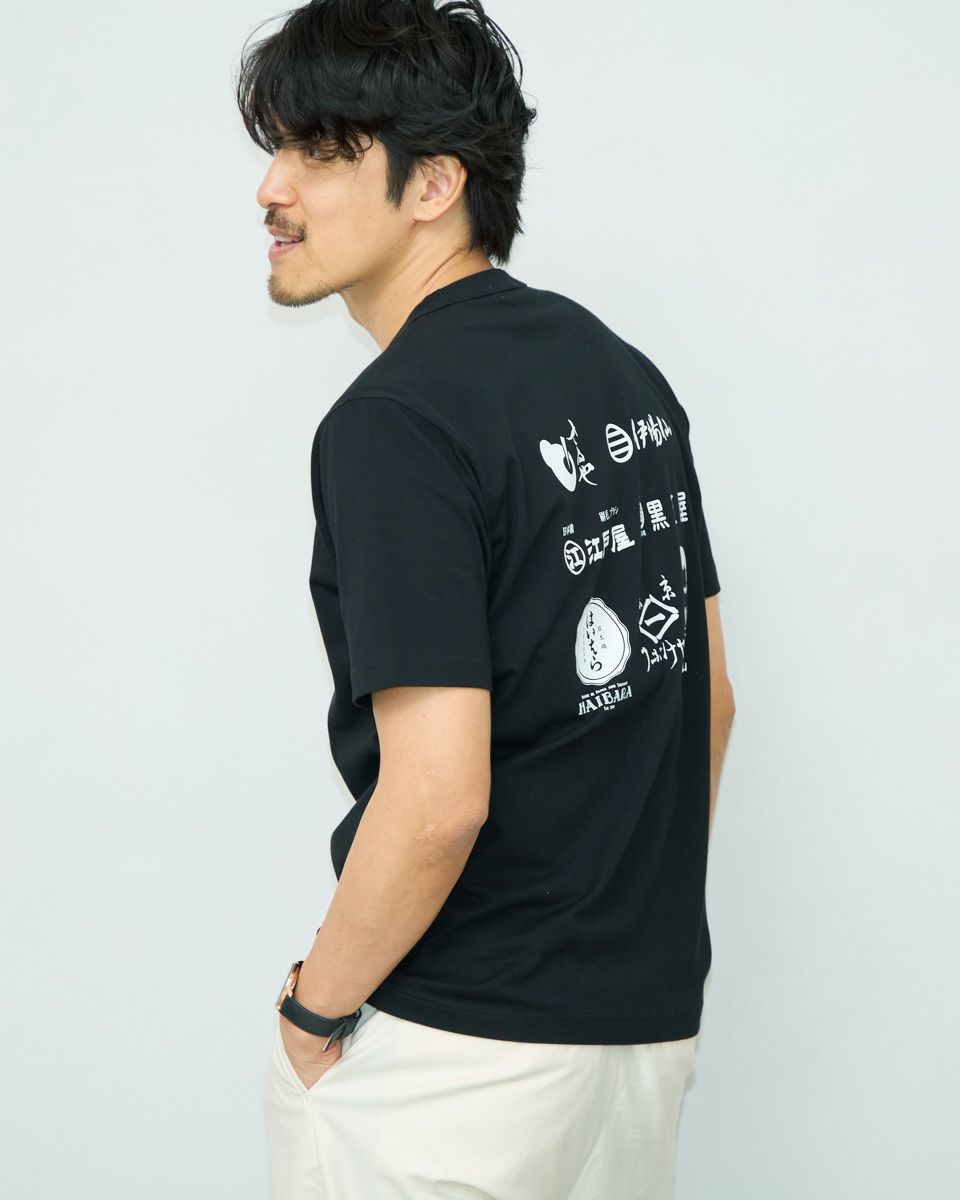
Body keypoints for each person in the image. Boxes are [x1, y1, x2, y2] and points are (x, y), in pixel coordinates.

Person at [235, 1, 736, 1196]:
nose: (271, 189)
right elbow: (708, 704)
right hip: (638, 1036)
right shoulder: (622, 374)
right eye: (276, 148)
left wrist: (313, 1012)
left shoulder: (396, 422)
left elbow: (437, 798)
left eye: (320, 151)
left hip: (457, 1060)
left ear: (434, 183)